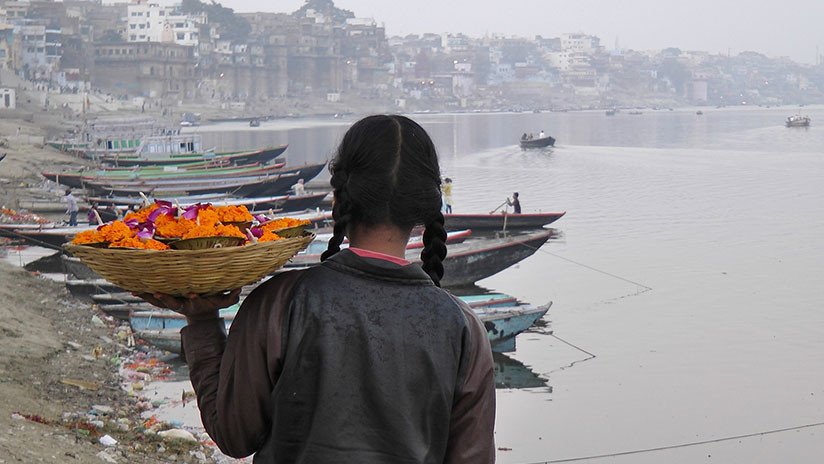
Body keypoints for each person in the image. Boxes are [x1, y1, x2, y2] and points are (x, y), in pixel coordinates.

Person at [138, 115, 496, 462]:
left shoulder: (280, 301)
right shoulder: (464, 329)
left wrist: (202, 323)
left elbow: (234, 436)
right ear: (425, 210)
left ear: (338, 199)